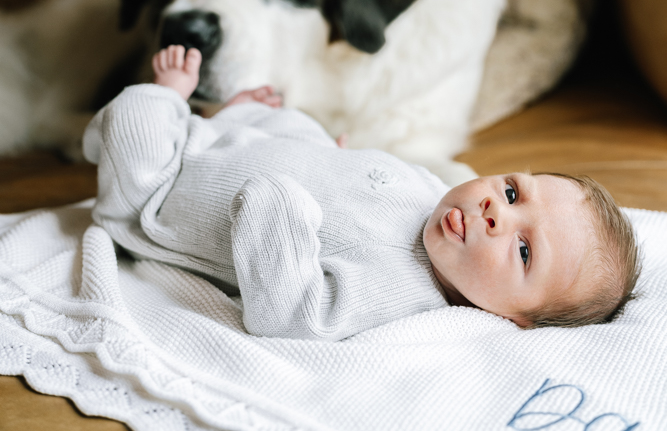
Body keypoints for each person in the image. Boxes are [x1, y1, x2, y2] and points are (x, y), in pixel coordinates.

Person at [83, 45, 641, 339]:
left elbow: (293, 315)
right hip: (256, 148)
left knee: (131, 120)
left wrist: (279, 210)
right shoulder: (434, 194)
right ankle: (228, 120)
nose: (496, 212)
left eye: (523, 251)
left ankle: (165, 103)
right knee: (296, 122)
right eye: (515, 193)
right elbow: (361, 176)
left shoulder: (397, 292)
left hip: (164, 193)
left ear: (516, 318)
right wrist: (337, 153)